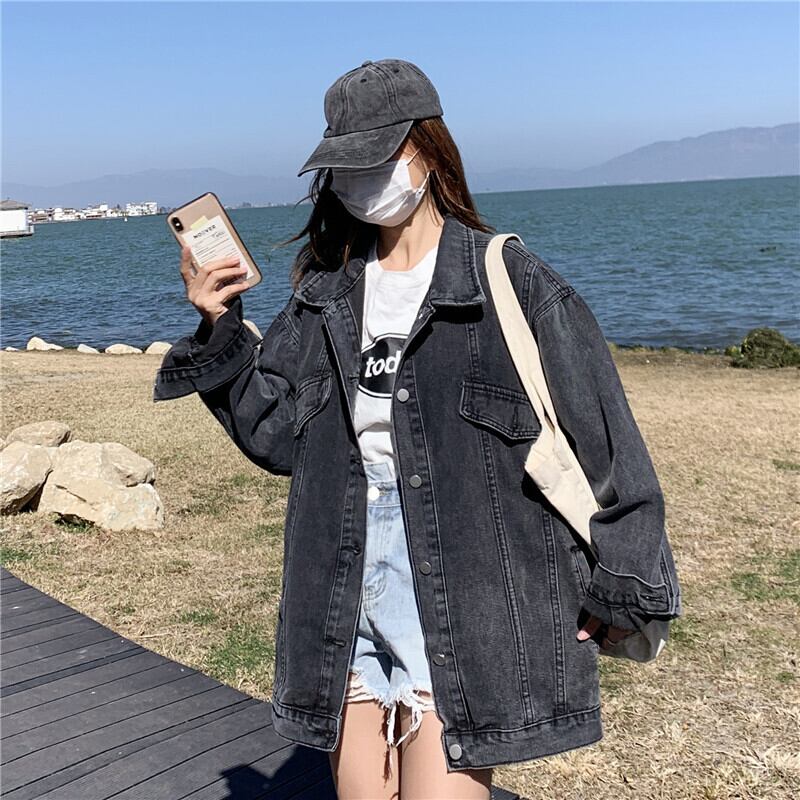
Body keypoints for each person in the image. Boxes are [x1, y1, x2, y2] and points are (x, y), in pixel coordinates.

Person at [153, 58, 681, 800]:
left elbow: (611, 447)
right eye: (346, 166)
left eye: (377, 159)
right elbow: (275, 438)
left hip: (469, 587)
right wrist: (220, 325)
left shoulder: (513, 283)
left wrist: (625, 581)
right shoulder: (324, 292)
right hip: (340, 581)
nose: (360, 180)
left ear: (429, 152)